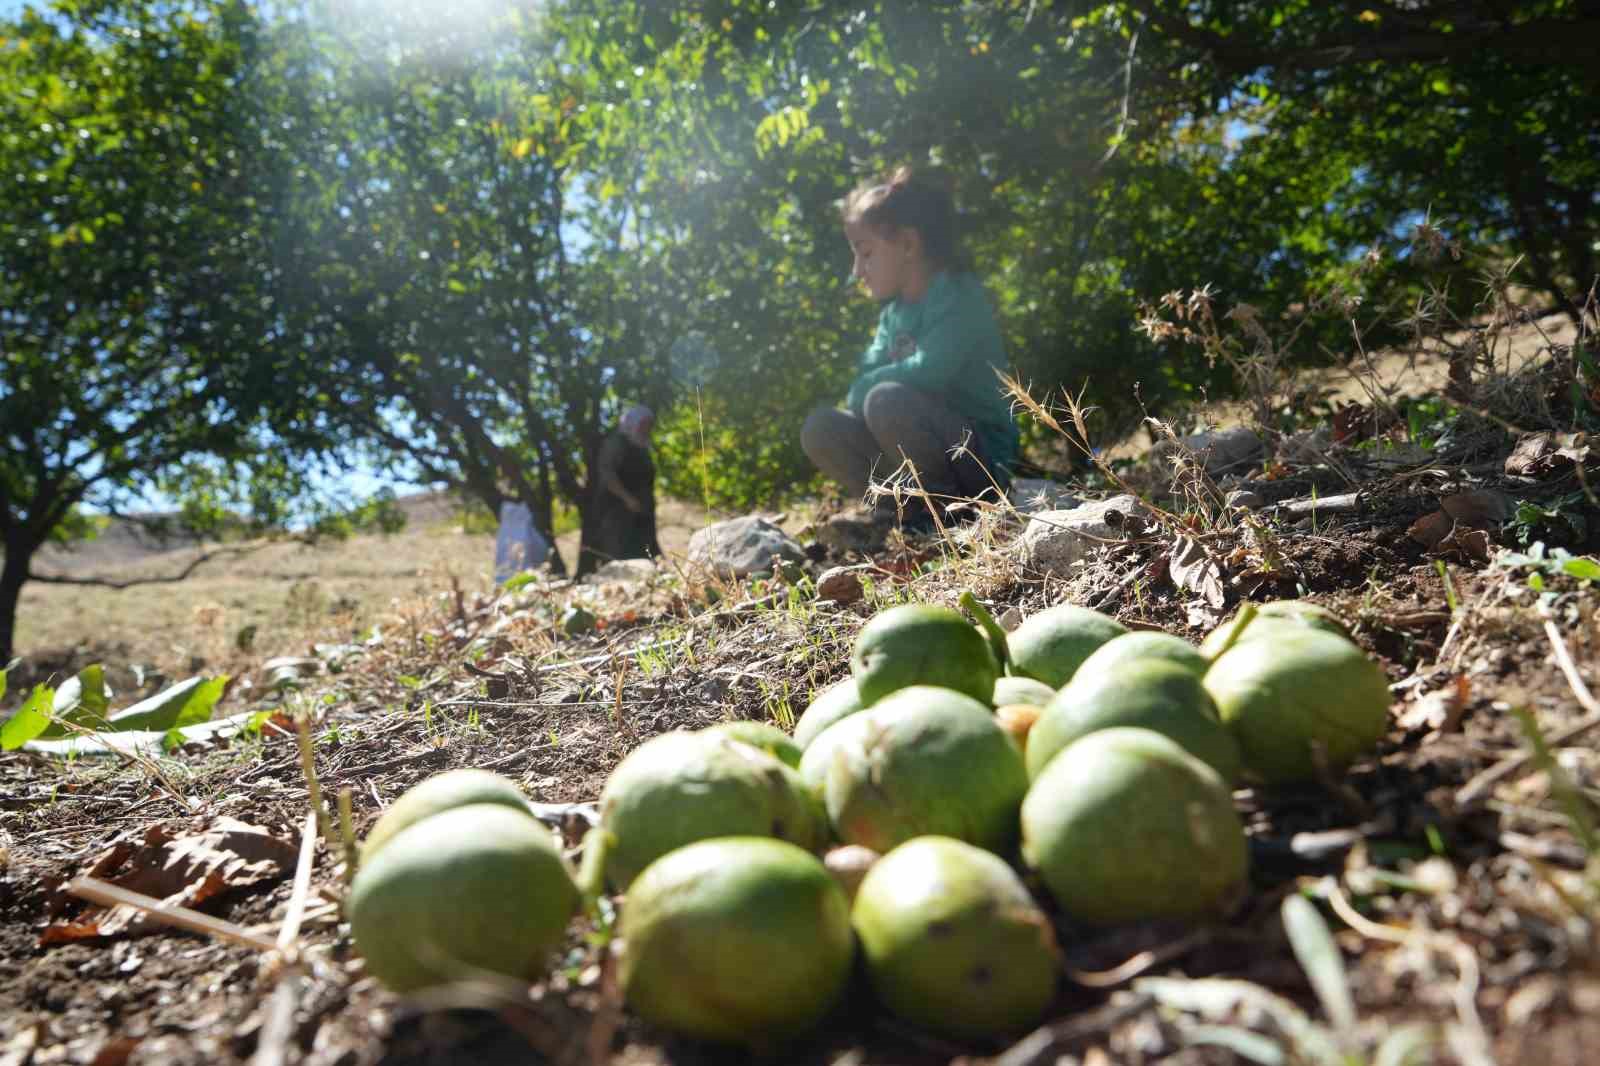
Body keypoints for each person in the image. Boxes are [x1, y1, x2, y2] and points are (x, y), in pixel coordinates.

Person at [801, 166, 1018, 533]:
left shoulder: (958, 295)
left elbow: (932, 370)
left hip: (978, 460)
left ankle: (950, 514)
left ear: (908, 245)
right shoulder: (892, 317)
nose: (857, 270)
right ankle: (898, 511)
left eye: (865, 253)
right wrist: (872, 385)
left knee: (885, 400)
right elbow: (857, 391)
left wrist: (875, 383)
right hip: (919, 448)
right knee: (820, 427)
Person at [576, 404, 663, 577]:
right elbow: (607, 474)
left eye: (649, 425)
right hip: (618, 511)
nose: (647, 429)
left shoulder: (643, 446)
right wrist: (627, 499)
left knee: (645, 553)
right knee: (620, 555)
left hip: (641, 513)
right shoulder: (616, 443)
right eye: (644, 424)